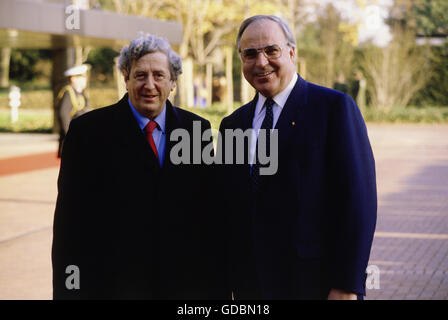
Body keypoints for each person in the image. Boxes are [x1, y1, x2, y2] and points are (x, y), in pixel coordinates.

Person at [52, 34, 227, 299]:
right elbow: (69, 226)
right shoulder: (88, 133)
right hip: (112, 288)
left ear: (172, 82)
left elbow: (209, 219)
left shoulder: (196, 130)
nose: (149, 85)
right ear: (126, 78)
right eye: (140, 75)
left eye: (158, 75)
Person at [218, 15, 377, 300]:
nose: (261, 62)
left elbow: (358, 203)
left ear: (292, 52)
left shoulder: (333, 109)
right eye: (250, 54)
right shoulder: (233, 125)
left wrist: (347, 286)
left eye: (271, 50)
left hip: (316, 287)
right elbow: (228, 210)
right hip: (252, 288)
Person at [56, 64, 92, 157]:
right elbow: (63, 114)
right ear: (73, 79)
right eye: (82, 77)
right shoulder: (68, 92)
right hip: (73, 138)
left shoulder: (80, 92)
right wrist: (70, 135)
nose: (85, 80)